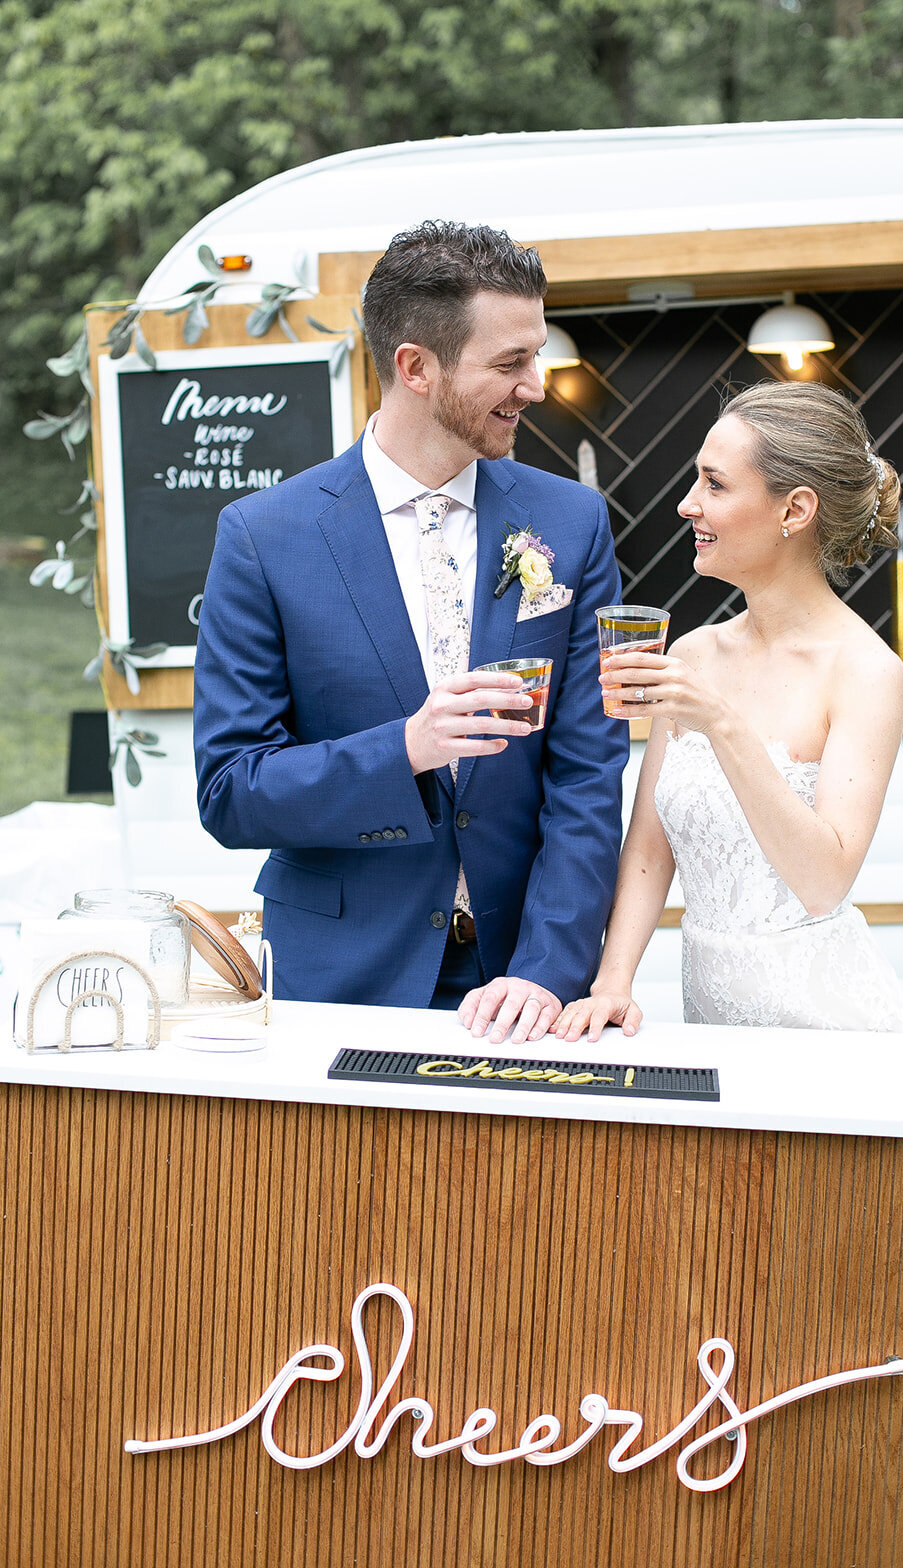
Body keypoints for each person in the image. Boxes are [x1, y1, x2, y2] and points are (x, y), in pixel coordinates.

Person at [194, 221, 627, 1042]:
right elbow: (231, 793)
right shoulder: (264, 537)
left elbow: (587, 773)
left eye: (534, 356)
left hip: (524, 985)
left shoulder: (569, 522)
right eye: (509, 363)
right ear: (415, 367)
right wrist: (406, 749)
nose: (536, 385)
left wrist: (543, 969)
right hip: (337, 980)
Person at [553, 380, 903, 1041]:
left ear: (794, 509)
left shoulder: (866, 672)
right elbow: (646, 848)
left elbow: (821, 883)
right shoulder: (692, 655)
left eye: (714, 485)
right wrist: (612, 982)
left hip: (828, 1025)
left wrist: (722, 725)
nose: (687, 504)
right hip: (714, 1019)